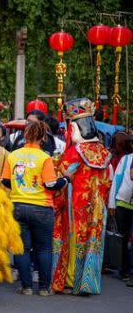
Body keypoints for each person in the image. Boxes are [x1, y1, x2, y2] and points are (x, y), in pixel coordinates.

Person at [1, 121, 72, 296]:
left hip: (17, 206)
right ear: (42, 137)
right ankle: (43, 288)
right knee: (43, 248)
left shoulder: (13, 155)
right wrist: (66, 179)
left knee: (22, 248)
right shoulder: (44, 158)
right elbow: (50, 184)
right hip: (41, 207)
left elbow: (5, 181)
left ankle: (26, 287)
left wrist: (19, 187)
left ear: (25, 135)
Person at [51, 98, 112, 295]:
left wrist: (54, 162)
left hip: (76, 205)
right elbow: (107, 181)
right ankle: (88, 282)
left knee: (73, 240)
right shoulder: (103, 152)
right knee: (93, 240)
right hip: (96, 206)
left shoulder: (75, 152)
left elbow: (62, 174)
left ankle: (71, 280)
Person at [108, 152, 133, 285]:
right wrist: (112, 203)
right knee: (122, 238)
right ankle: (124, 270)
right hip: (122, 203)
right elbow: (117, 180)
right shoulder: (126, 159)